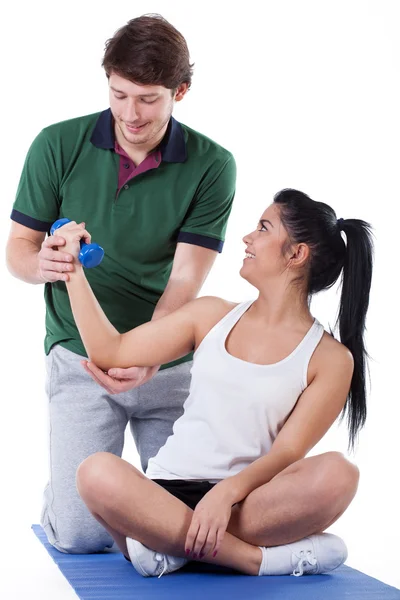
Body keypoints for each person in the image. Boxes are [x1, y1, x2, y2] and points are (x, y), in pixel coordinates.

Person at [5, 14, 236, 553]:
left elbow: (185, 278)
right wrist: (50, 265)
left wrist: (151, 356)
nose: (130, 114)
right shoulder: (55, 144)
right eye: (119, 94)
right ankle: (66, 496)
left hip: (167, 364)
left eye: (149, 99)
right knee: (81, 536)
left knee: (185, 530)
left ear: (181, 90)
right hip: (79, 358)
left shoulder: (213, 164)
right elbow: (17, 251)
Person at [55, 188, 373, 577]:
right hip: (163, 492)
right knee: (95, 472)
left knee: (340, 475)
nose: (247, 238)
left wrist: (226, 494)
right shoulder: (210, 315)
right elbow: (111, 350)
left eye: (262, 228)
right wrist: (71, 270)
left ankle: (168, 543)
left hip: (245, 504)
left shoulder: (330, 359)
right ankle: (254, 560)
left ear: (296, 254)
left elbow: (287, 453)